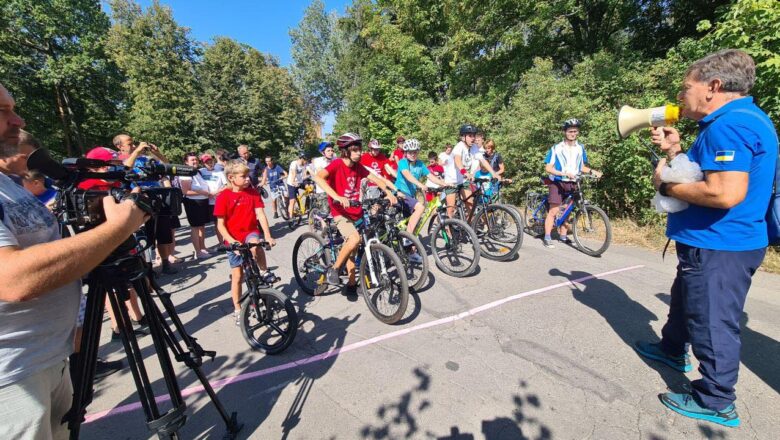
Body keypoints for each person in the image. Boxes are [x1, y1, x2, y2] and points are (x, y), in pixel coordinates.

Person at [633, 49, 778, 428]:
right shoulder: (736, 120)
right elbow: (706, 176)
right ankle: (671, 348)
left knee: (712, 319)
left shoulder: (729, 126)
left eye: (687, 88)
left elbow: (723, 193)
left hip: (720, 244)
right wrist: (676, 150)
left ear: (713, 86)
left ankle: (716, 398)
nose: (681, 97)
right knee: (686, 298)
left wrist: (665, 184)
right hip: (711, 241)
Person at [0, 82, 148, 440]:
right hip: (13, 380)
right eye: (3, 111)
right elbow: (12, 279)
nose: (18, 119)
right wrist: (118, 227)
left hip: (48, 358)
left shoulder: (10, 185)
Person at [313, 132, 398, 295]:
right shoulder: (337, 164)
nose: (360, 153)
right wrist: (336, 196)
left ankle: (351, 284)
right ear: (346, 151)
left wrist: (388, 193)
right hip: (339, 211)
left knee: (354, 245)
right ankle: (334, 269)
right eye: (356, 150)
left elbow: (376, 177)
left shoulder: (358, 167)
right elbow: (319, 178)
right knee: (354, 239)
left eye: (360, 149)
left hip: (355, 209)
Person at [214, 160, 277, 326]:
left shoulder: (253, 193)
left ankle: (263, 271)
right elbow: (220, 225)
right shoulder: (223, 197)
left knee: (256, 244)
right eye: (244, 176)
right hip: (232, 238)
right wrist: (232, 242)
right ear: (231, 177)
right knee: (238, 276)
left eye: (248, 175)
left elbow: (261, 215)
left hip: (250, 232)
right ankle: (237, 308)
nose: (248, 179)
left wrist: (268, 236)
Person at [116, 135, 179, 273]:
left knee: (162, 233)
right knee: (142, 236)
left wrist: (157, 154)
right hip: (138, 199)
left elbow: (167, 166)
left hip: (157, 196)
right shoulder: (118, 160)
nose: (133, 145)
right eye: (130, 143)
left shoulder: (145, 159)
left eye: (134, 143)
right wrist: (136, 152)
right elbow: (125, 169)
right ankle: (146, 267)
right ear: (120, 146)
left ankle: (165, 263)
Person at [541, 119, 600, 248]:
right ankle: (547, 237)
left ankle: (563, 236)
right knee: (554, 211)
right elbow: (548, 168)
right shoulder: (556, 148)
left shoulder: (580, 148)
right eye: (570, 131)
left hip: (573, 182)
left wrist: (593, 171)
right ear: (565, 132)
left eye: (575, 131)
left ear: (577, 132)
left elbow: (581, 167)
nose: (572, 134)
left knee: (568, 210)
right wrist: (563, 173)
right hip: (557, 182)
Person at [395, 139, 448, 257]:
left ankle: (411, 252)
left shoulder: (420, 164)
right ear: (406, 152)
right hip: (401, 194)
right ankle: (407, 239)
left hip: (411, 196)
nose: (413, 154)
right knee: (420, 208)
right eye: (410, 152)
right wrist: (420, 185)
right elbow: (407, 175)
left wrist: (443, 183)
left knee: (415, 224)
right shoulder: (403, 162)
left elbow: (430, 176)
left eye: (415, 152)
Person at [450, 124, 501, 218]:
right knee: (451, 209)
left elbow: (483, 161)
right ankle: (447, 231)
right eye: (470, 136)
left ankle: (470, 229)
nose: (473, 138)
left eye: (474, 135)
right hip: (451, 181)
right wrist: (465, 172)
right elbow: (457, 161)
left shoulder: (473, 148)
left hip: (463, 180)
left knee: (470, 205)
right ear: (463, 137)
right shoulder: (459, 147)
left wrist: (493, 173)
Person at [180, 152, 212, 259]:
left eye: (196, 159)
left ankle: (203, 248)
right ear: (186, 162)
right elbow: (186, 191)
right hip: (193, 203)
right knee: (195, 227)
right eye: (192, 160)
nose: (195, 161)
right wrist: (202, 192)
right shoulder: (186, 173)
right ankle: (198, 252)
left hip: (202, 201)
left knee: (201, 226)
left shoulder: (196, 172)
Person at [199, 153, 228, 247]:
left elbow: (227, 185)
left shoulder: (219, 172)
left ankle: (226, 241)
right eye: (206, 162)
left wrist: (217, 191)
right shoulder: (201, 171)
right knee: (210, 224)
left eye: (210, 161)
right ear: (203, 164)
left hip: (218, 201)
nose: (209, 163)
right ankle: (220, 243)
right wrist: (207, 193)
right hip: (206, 201)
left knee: (221, 222)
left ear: (213, 161)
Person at [286, 152, 309, 219]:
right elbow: (294, 173)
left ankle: (307, 207)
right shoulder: (294, 163)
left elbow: (305, 175)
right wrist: (293, 181)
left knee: (310, 190)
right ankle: (290, 218)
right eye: (306, 160)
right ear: (302, 159)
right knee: (292, 201)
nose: (306, 162)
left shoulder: (304, 164)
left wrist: (308, 181)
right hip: (291, 183)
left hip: (300, 182)